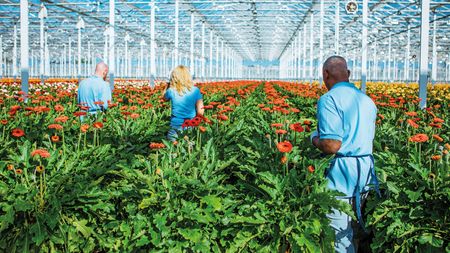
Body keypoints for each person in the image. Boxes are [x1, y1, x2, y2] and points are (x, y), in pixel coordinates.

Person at [310, 56, 380, 253]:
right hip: (366, 172)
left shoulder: (329, 99)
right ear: (348, 74)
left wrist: (314, 138)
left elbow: (332, 145)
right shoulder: (367, 100)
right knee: (359, 230)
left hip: (341, 176)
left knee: (339, 237)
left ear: (325, 74)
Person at [163, 65, 204, 141]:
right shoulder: (195, 90)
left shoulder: (171, 91)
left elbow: (164, 99)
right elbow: (200, 109)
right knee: (189, 148)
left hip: (175, 125)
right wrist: (197, 122)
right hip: (191, 124)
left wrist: (167, 85)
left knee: (173, 149)